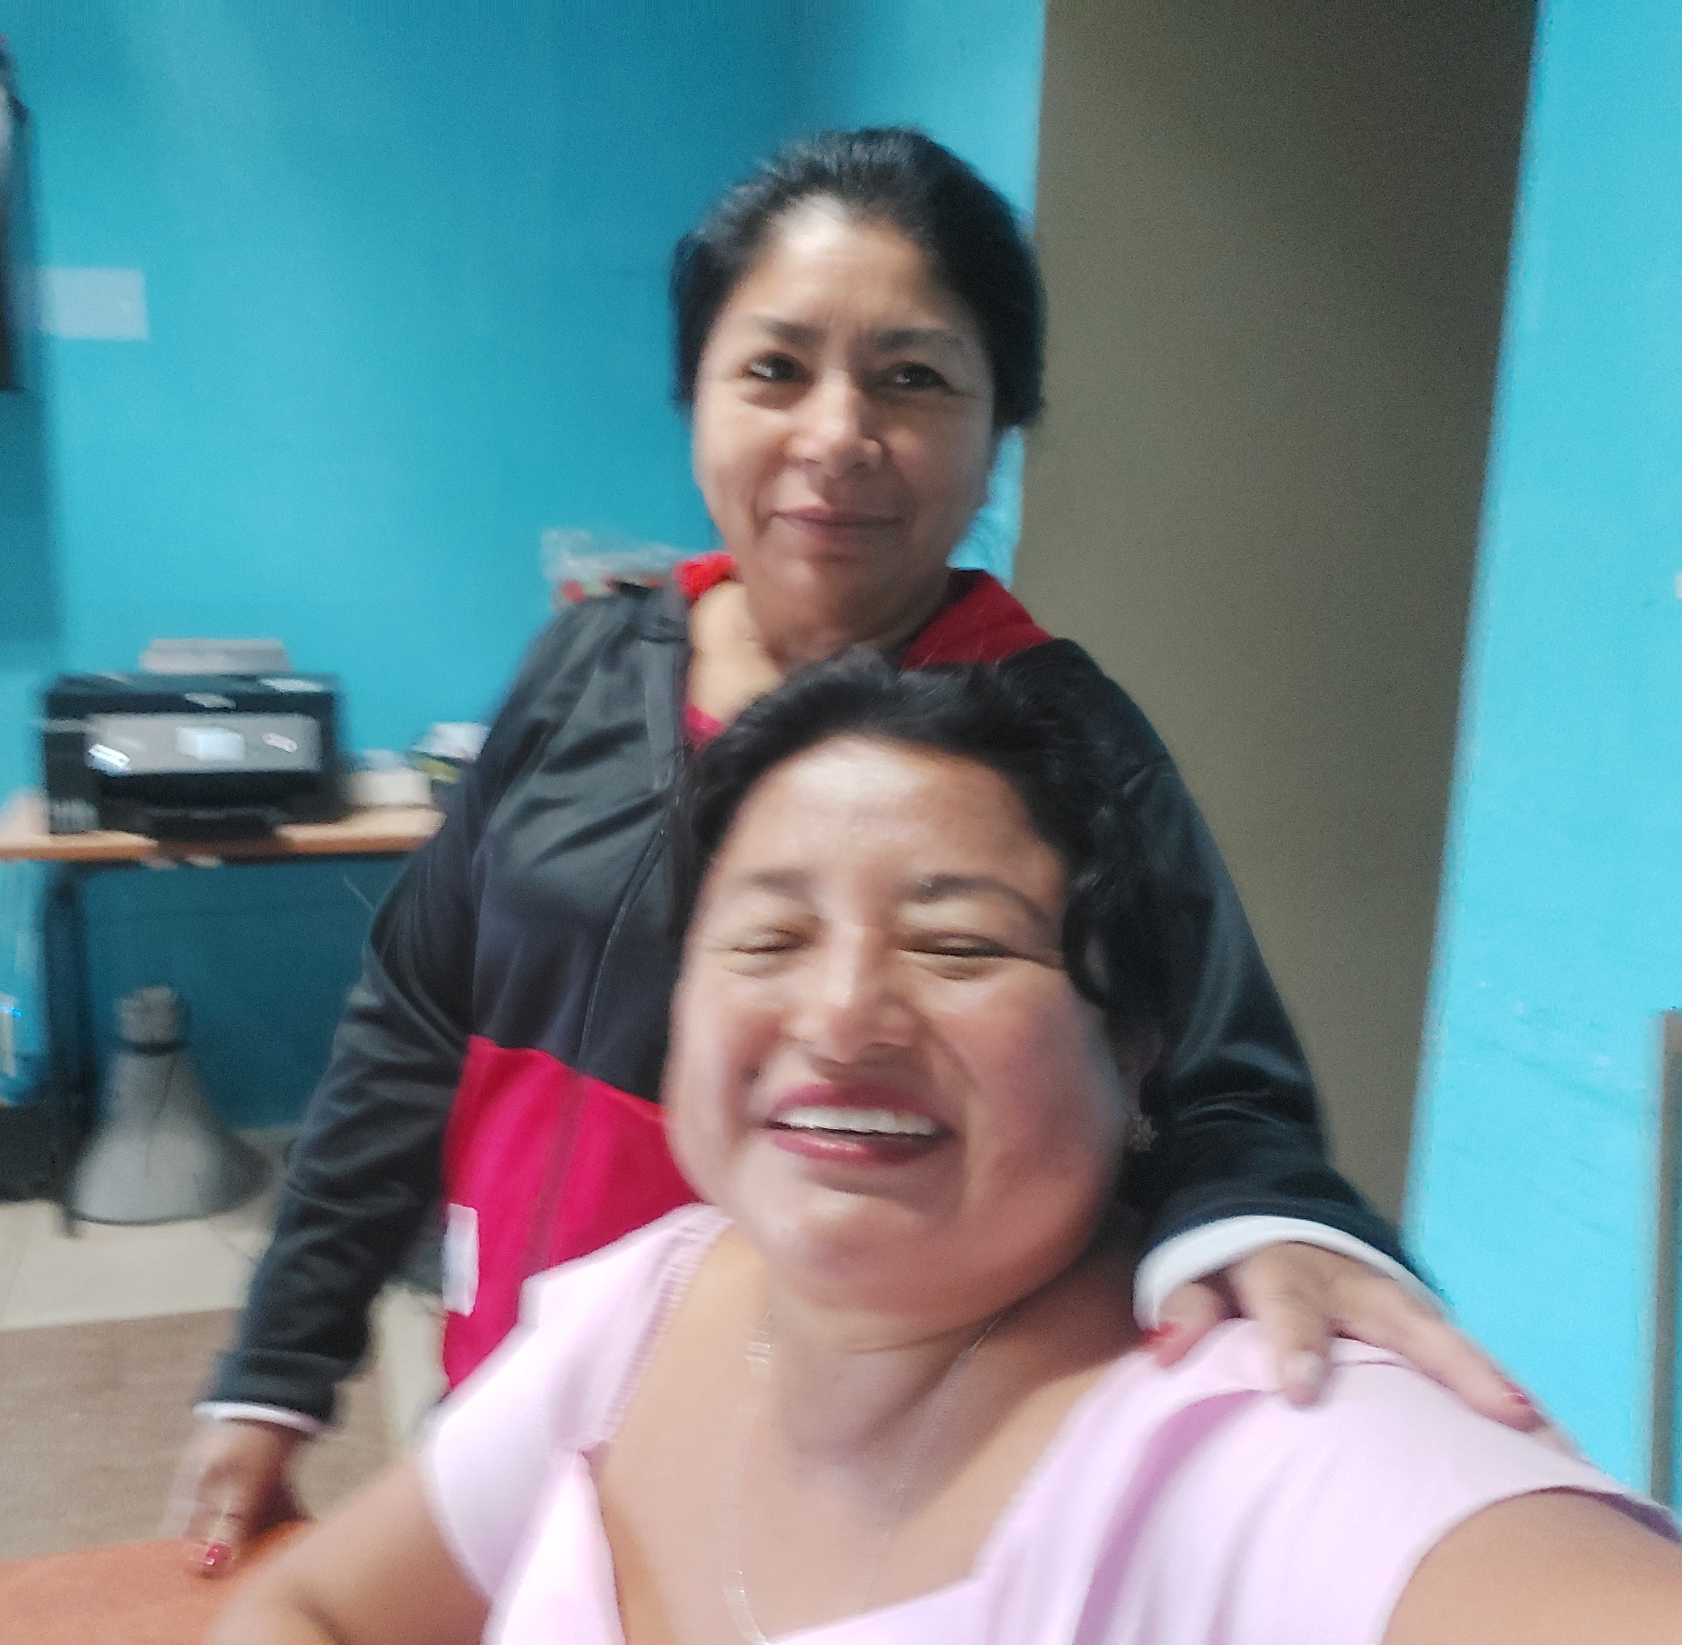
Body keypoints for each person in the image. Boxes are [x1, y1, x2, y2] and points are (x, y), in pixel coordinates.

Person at [170, 127, 1526, 1570]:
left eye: (912, 378)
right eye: (775, 368)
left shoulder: (1053, 740)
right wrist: (277, 1367)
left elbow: (1220, 1081)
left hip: (833, 1487)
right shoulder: (582, 665)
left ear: (999, 430)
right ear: (694, 397)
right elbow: (412, 1018)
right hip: (510, 1406)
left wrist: (1273, 1225)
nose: (835, 435)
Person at [208, 655, 1682, 1645]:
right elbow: (315, 1605)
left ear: (1137, 1036)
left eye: (958, 944)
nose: (842, 1011)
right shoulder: (648, 1303)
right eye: (767, 935)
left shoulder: (1258, 1441)